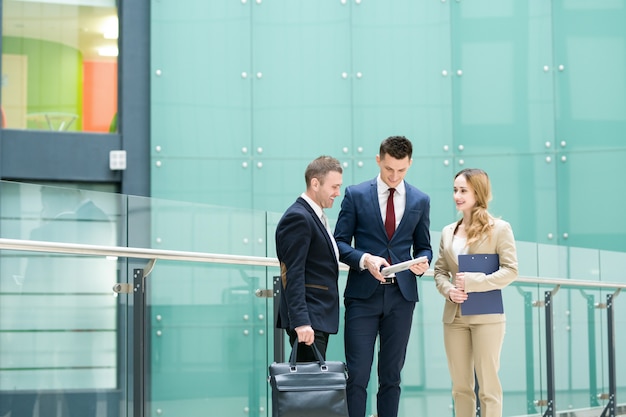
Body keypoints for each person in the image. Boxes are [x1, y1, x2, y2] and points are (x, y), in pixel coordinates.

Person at [334, 136, 432, 417]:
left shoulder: (420, 200)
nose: (394, 176)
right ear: (379, 160)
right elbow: (339, 243)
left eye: (401, 170)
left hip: (402, 298)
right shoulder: (355, 194)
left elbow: (423, 246)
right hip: (362, 297)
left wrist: (423, 262)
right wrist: (364, 259)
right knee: (357, 376)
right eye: (389, 169)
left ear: (410, 164)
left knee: (391, 376)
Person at [433, 168, 518, 417]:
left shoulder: (499, 229)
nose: (457, 195)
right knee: (460, 387)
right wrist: (449, 290)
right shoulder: (448, 231)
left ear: (477, 193)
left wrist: (474, 281)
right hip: (454, 318)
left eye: (463, 190)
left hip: (486, 318)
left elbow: (511, 270)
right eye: (455, 190)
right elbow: (439, 271)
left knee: (488, 387)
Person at [275, 155, 343, 361]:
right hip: (308, 321)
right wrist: (301, 322)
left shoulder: (315, 216)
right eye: (334, 187)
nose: (337, 193)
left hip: (317, 317)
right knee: (307, 389)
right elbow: (293, 273)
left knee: (312, 389)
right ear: (315, 183)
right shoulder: (298, 217)